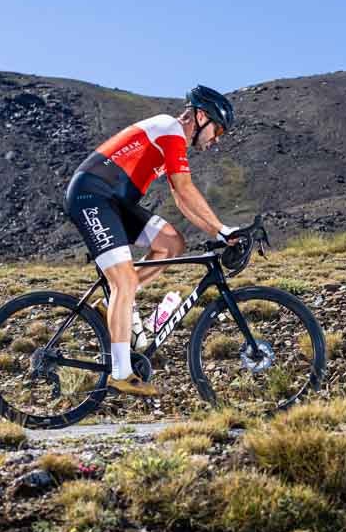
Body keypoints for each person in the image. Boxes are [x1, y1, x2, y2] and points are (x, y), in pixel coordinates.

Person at [64, 85, 237, 396]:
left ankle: (114, 303)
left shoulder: (174, 140)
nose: (217, 139)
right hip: (91, 195)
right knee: (124, 282)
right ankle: (120, 373)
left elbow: (181, 198)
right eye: (218, 129)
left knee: (172, 244)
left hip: (115, 202)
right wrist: (222, 230)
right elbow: (184, 189)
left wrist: (217, 231)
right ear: (199, 116)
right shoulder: (169, 129)